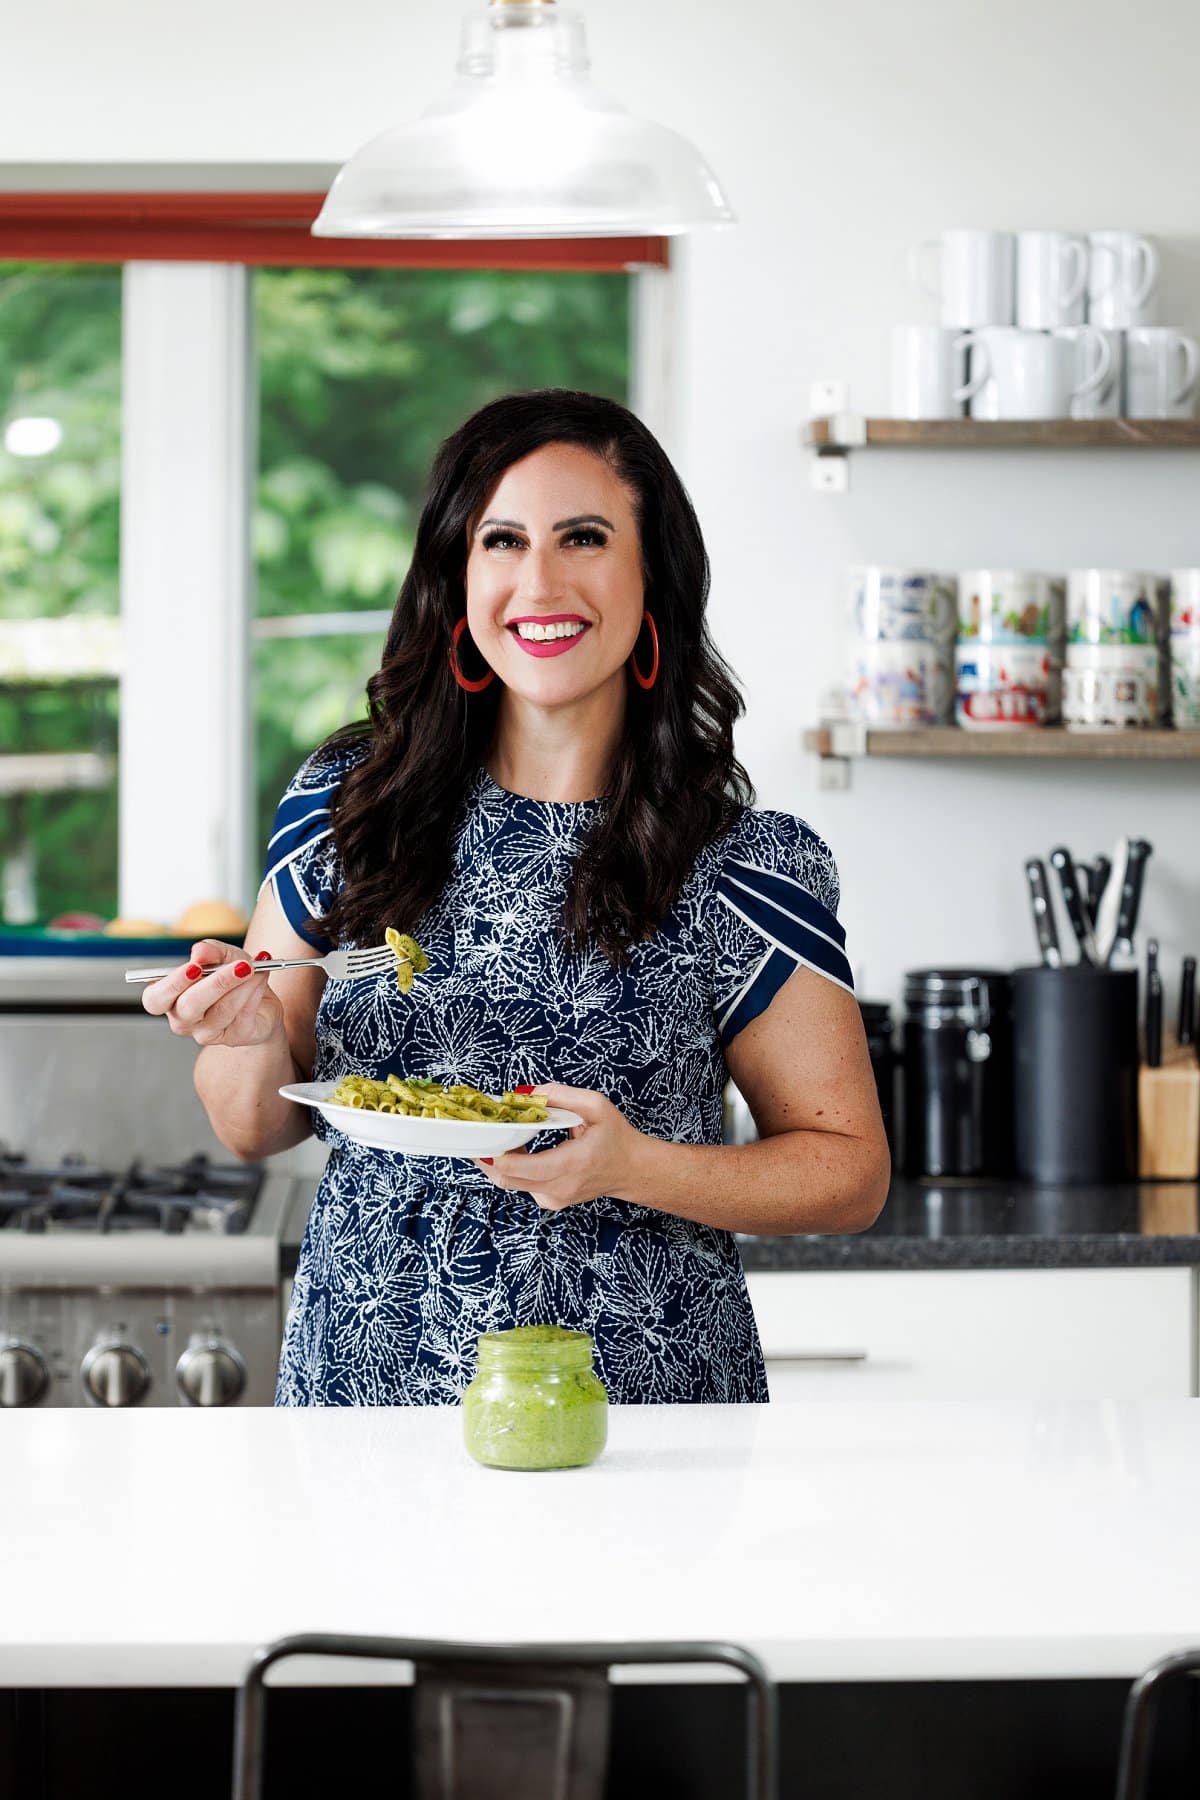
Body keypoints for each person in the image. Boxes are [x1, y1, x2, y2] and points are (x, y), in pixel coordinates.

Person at [143, 388, 889, 1405]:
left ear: (650, 577)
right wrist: (242, 1035)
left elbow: (849, 1173)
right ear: (459, 578)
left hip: (646, 1420)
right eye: (501, 540)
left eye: (582, 537)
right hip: (369, 1405)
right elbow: (254, 1124)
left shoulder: (746, 863)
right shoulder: (348, 805)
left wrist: (633, 1166)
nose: (538, 580)